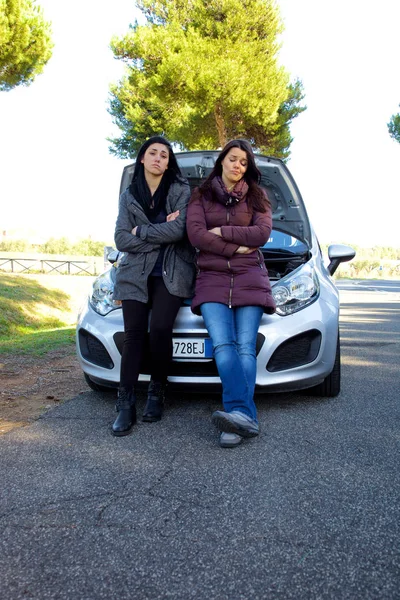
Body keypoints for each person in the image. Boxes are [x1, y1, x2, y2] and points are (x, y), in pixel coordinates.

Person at [186, 139, 275, 448]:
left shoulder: (257, 196)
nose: (238, 166)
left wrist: (222, 232)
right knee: (223, 345)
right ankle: (244, 415)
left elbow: (262, 234)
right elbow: (196, 234)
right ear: (221, 160)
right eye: (233, 159)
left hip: (250, 276)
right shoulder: (200, 195)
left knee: (245, 348)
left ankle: (235, 419)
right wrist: (238, 245)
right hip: (211, 278)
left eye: (243, 162)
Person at [112, 136, 195, 436]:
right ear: (143, 159)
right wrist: (160, 233)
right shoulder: (128, 195)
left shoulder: (180, 189)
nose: (159, 158)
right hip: (134, 273)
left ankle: (157, 392)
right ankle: (125, 403)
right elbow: (121, 239)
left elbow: (180, 230)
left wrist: (143, 231)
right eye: (153, 153)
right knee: (134, 334)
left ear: (169, 162)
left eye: (164, 154)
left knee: (160, 328)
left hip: (172, 271)